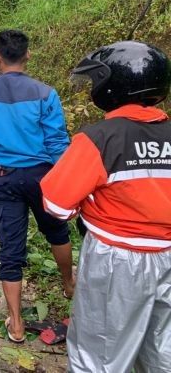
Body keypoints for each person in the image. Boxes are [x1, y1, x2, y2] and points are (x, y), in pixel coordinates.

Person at [41, 40, 171, 372]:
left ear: (112, 85)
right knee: (162, 351)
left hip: (117, 258)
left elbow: (56, 203)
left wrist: (86, 204)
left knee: (97, 354)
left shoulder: (100, 137)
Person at [0, 30, 74, 343]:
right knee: (56, 231)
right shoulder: (45, 93)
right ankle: (68, 283)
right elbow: (56, 142)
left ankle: (15, 322)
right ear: (27, 56)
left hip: (3, 178)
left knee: (10, 251)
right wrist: (66, 180)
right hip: (43, 177)